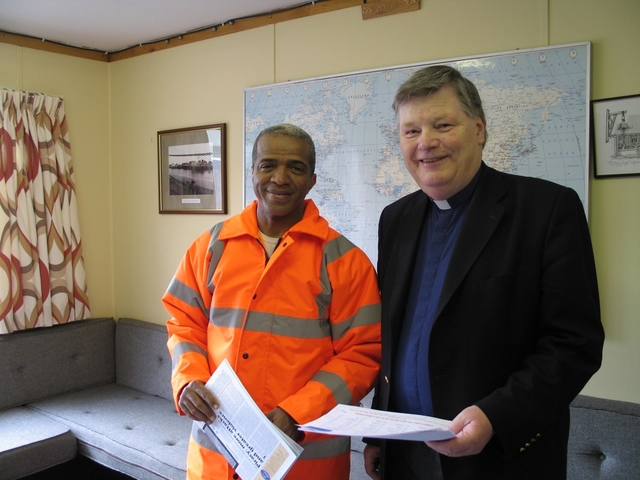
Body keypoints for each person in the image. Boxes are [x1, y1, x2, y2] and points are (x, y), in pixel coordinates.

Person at [363, 65, 604, 480]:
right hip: (406, 454)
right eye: (411, 131)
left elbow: (574, 344)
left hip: (499, 457)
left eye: (442, 125)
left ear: (479, 129)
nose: (426, 143)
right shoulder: (395, 219)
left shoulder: (546, 210)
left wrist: (495, 416)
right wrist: (377, 436)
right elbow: (396, 338)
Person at [163, 123, 381, 480]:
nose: (279, 178)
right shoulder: (210, 247)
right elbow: (183, 322)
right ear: (252, 171)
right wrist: (188, 380)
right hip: (217, 459)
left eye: (295, 167)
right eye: (268, 165)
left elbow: (362, 355)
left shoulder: (345, 261)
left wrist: (298, 413)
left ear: (311, 180)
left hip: (304, 461)